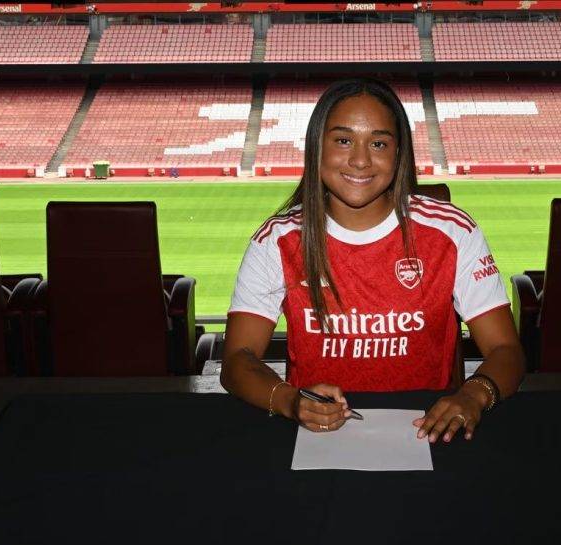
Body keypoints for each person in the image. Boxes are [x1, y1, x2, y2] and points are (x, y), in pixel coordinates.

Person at [221, 78, 524, 444]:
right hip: (316, 435)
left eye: (378, 143)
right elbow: (237, 359)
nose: (360, 160)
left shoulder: (453, 232)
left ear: (399, 153)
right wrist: (290, 400)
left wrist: (474, 394)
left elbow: (506, 350)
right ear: (316, 146)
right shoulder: (276, 240)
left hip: (428, 432)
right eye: (343, 140)